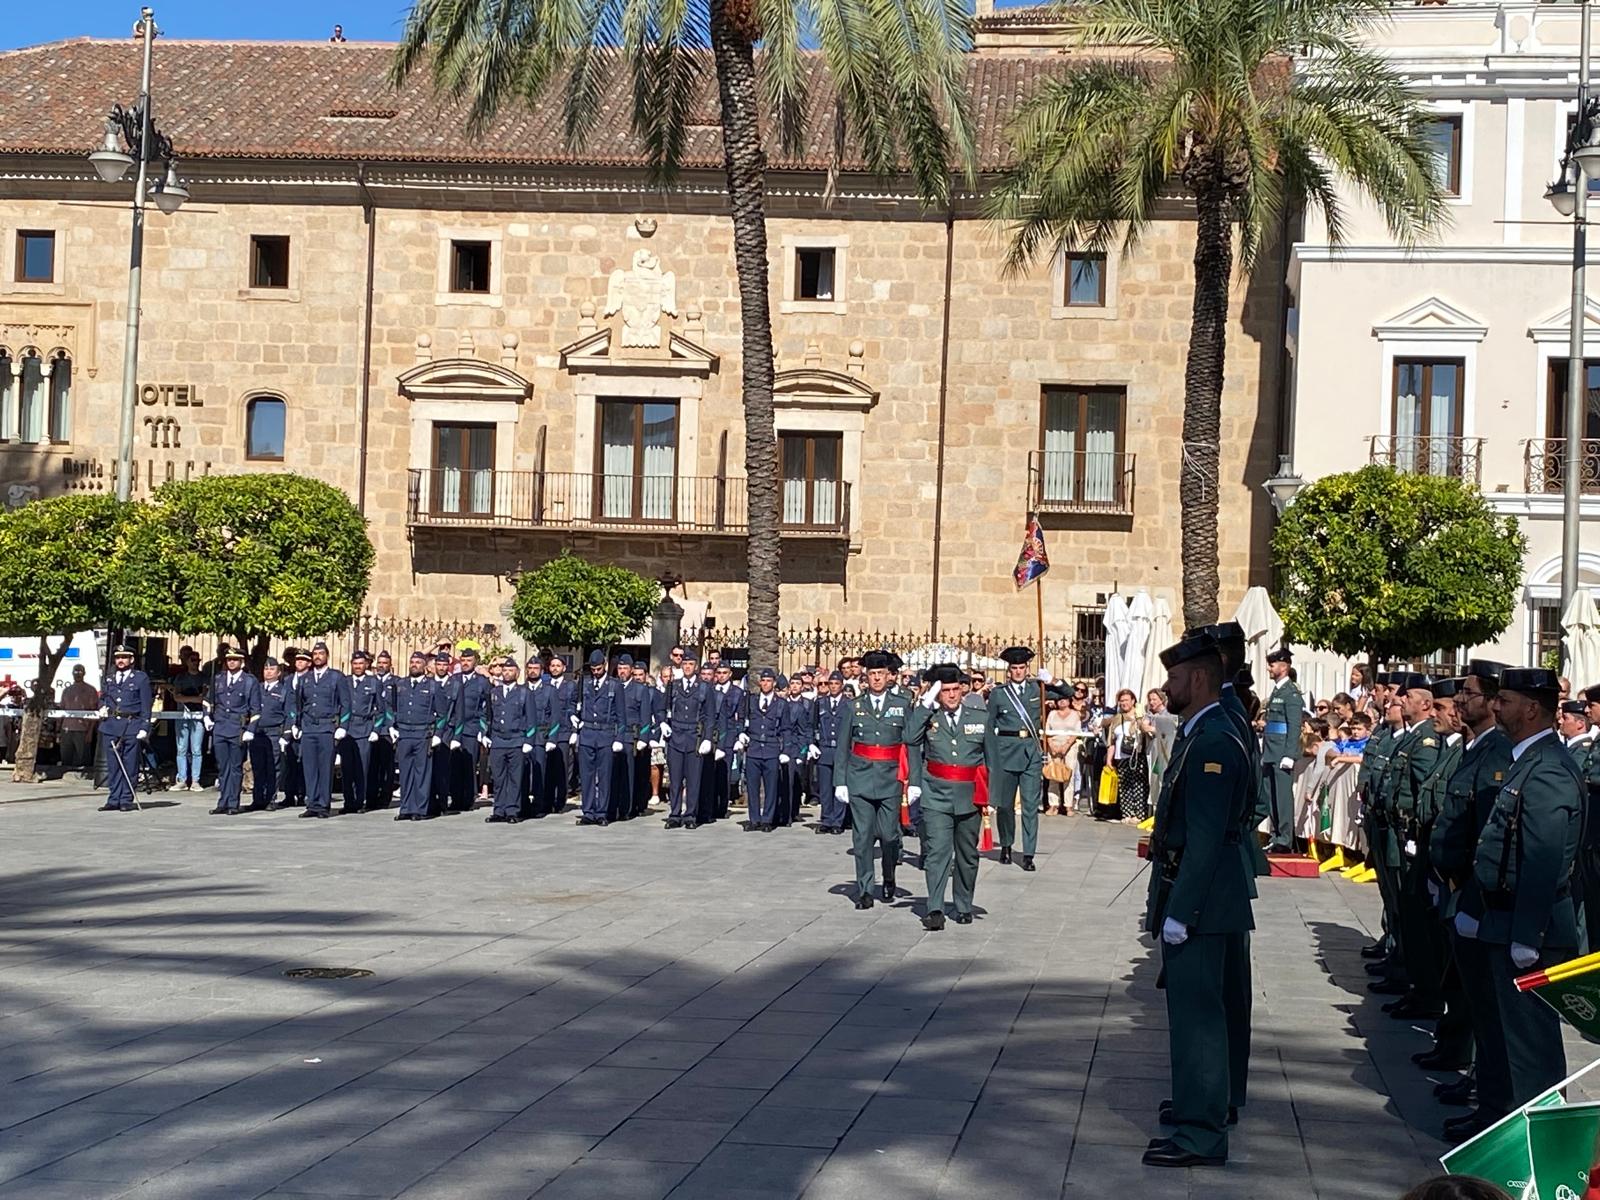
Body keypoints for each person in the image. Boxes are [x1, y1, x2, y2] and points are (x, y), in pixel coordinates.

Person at [1143, 634, 1254, 1168]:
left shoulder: (1211, 740)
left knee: (1199, 1021)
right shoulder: (1203, 732)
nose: (1167, 687)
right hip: (1206, 895)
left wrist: (1179, 913)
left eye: (1174, 677)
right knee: (1204, 1016)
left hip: (1204, 902)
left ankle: (1201, 1135)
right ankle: (1202, 1106)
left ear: (1200, 679)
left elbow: (1207, 837)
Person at [1456, 667, 1583, 1134]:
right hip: (1502, 919)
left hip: (1529, 929)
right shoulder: (1524, 759)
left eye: (1505, 700)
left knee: (1532, 1052)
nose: (1495, 706)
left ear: (1531, 709)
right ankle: (1500, 1129)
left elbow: (1544, 860)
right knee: (1503, 1039)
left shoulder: (1548, 767)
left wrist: (1527, 935)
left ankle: (1543, 1145)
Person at [1429, 661, 1512, 1121]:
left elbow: (1487, 834)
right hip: (1459, 889)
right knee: (1473, 996)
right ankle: (1481, 1081)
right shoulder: (1476, 748)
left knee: (1487, 1003)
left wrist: (1472, 896)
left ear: (1494, 702)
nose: (1461, 701)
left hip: (1476, 895)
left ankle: (1490, 1097)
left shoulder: (1496, 752)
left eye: (1469, 693)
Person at [905, 663, 988, 930]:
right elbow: (909, 736)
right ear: (938, 694)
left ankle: (963, 904)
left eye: (955, 690)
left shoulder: (979, 718)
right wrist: (925, 704)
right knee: (937, 853)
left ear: (962, 690)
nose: (951, 696)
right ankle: (936, 908)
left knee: (966, 855)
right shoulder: (931, 717)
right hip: (936, 794)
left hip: (969, 795)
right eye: (945, 691)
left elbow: (991, 758)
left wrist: (992, 797)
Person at [835, 648, 910, 907]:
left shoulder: (901, 706)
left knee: (890, 836)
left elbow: (910, 743)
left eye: (881, 673)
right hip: (860, 777)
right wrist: (840, 781)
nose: (876, 678)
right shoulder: (854, 706)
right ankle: (865, 889)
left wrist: (912, 780)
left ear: (889, 676)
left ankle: (889, 876)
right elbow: (843, 745)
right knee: (862, 836)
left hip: (890, 778)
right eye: (872, 674)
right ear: (865, 678)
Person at [986, 646, 1050, 869]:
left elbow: (1068, 694)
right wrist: (991, 756)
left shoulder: (1037, 689)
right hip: (1006, 752)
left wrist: (1053, 681)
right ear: (1009, 670)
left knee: (1031, 805)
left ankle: (1029, 853)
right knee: (1004, 805)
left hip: (1030, 752)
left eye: (1022, 667)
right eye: (1014, 668)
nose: (1018, 672)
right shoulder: (999, 693)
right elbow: (989, 725)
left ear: (1027, 669)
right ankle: (1005, 845)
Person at [295, 641, 349, 820]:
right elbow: (299, 704)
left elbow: (345, 704)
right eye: (315, 654)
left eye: (321, 653)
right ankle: (312, 804)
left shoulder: (336, 677)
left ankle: (324, 804)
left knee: (325, 767)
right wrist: (297, 724)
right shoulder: (305, 679)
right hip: (309, 727)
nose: (318, 656)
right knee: (309, 767)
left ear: (327, 656)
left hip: (327, 727)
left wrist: (343, 726)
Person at [394, 651, 448, 821]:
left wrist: (438, 734)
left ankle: (420, 809)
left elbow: (442, 713)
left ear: (425, 666)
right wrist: (392, 726)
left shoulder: (433, 686)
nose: (414, 665)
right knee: (405, 772)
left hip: (423, 734)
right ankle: (406, 807)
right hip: (404, 733)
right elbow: (392, 708)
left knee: (421, 773)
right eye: (412, 662)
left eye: (418, 662)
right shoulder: (401, 684)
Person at [206, 647, 261, 815]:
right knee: (223, 767)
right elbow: (208, 701)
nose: (231, 662)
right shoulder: (218, 679)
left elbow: (256, 709)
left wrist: (250, 729)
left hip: (238, 728)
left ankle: (233, 803)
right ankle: (223, 801)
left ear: (242, 662)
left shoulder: (249, 681)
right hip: (221, 727)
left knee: (235, 767)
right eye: (229, 659)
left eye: (235, 659)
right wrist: (207, 717)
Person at [1259, 647, 1304, 852]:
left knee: (1282, 797)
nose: (1269, 668)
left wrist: (1289, 754)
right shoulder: (1277, 690)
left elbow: (1294, 726)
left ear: (1284, 667)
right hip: (1270, 750)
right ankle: (1277, 836)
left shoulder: (1291, 693)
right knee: (1271, 795)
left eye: (1273, 664)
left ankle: (1285, 839)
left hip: (1281, 752)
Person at [98, 645, 151, 813]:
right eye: (118, 657)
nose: (120, 661)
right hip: (111, 725)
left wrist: (144, 726)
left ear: (131, 660)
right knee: (113, 765)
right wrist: (102, 707)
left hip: (131, 725)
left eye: (124, 657)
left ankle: (126, 798)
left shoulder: (140, 679)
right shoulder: (109, 678)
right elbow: (104, 698)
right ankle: (113, 798)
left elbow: (146, 704)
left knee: (129, 763)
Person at [483, 656, 535, 825]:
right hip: (498, 740)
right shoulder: (494, 692)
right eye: (504, 670)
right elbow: (487, 715)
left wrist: (529, 740)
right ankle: (499, 810)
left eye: (510, 670)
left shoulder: (524, 693)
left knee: (514, 778)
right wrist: (485, 734)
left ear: (517, 673)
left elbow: (531, 718)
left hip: (516, 739)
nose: (507, 673)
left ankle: (513, 810)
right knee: (498, 778)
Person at [576, 648, 626, 826]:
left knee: (604, 776)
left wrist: (619, 738)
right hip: (587, 733)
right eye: (593, 669)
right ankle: (588, 811)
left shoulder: (614, 685)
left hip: (605, 734)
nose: (595, 673)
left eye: (598, 669)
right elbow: (573, 706)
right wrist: (574, 718)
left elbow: (621, 715)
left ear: (604, 666)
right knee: (587, 775)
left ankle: (602, 812)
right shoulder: (585, 684)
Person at [664, 655, 713, 829]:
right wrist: (663, 723)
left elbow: (709, 716)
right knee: (675, 780)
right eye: (684, 664)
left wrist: (707, 738)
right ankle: (675, 814)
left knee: (693, 780)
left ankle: (691, 814)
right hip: (676, 736)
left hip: (694, 738)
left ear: (696, 667)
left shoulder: (704, 688)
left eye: (690, 664)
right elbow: (665, 708)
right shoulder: (674, 686)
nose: (687, 667)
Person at [741, 667, 785, 831]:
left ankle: (767, 819)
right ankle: (754, 819)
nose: (766, 684)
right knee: (752, 786)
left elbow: (786, 728)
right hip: (753, 748)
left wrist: (785, 751)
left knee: (771, 787)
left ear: (774, 683)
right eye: (763, 681)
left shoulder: (780, 704)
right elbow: (743, 721)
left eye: (769, 681)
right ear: (760, 682)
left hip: (771, 748)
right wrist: (741, 734)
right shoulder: (751, 701)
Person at [340, 649, 384, 815]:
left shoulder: (373, 683)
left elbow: (381, 710)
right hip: (347, 728)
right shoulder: (344, 682)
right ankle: (348, 801)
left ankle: (360, 801)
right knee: (347, 768)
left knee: (362, 768)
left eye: (361, 664)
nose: (358, 667)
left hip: (364, 728)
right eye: (355, 664)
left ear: (366, 665)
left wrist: (376, 729)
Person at [447, 647, 489, 813]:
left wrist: (483, 730)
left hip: (471, 727)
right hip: (454, 727)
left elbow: (486, 708)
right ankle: (456, 798)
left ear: (475, 662)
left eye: (469, 660)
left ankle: (468, 798)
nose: (465, 663)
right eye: (463, 660)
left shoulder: (482, 682)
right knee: (455, 763)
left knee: (470, 764)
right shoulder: (454, 680)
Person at [1103, 688, 1150, 822]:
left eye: (1126, 700)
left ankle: (1139, 814)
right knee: (1124, 786)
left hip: (1136, 755)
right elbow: (1111, 741)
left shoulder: (1140, 716)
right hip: (1121, 756)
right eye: (1121, 701)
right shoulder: (1117, 718)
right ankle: (1127, 814)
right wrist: (1109, 760)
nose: (1123, 703)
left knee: (1138, 785)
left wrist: (1138, 719)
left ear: (1133, 701)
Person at [252, 657, 292, 810]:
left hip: (274, 732)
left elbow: (289, 713)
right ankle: (258, 799)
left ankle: (271, 798)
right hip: (258, 732)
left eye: (271, 669)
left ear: (279, 672)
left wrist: (286, 734)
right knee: (257, 766)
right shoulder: (257, 688)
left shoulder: (283, 690)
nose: (268, 672)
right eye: (266, 669)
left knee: (273, 767)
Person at [542, 653, 577, 817]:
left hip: (563, 731)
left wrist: (573, 731)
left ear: (564, 668)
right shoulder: (544, 684)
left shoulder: (570, 686)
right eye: (552, 665)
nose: (555, 668)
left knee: (561, 767)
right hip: (546, 732)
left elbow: (572, 708)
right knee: (547, 767)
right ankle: (546, 799)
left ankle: (560, 800)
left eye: (558, 665)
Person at [814, 671, 848, 834]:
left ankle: (837, 822)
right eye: (831, 684)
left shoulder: (849, 704)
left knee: (839, 786)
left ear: (842, 686)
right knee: (825, 788)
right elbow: (812, 725)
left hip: (841, 751)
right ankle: (826, 820)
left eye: (836, 684)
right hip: (825, 749)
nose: (833, 687)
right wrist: (813, 744)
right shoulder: (820, 703)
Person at [170, 647, 207, 791]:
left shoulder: (203, 677)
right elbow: (176, 696)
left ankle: (195, 780)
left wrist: (194, 699)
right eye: (192, 660)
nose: (195, 663)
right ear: (186, 662)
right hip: (182, 714)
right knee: (181, 748)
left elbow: (204, 697)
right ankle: (182, 779)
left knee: (197, 749)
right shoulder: (181, 677)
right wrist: (194, 698)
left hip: (198, 715)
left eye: (197, 660)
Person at [367, 650, 398, 810]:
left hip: (387, 729)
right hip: (371, 728)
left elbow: (397, 706)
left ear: (390, 665)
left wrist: (394, 725)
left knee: (387, 765)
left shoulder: (396, 683)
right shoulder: (370, 681)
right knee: (372, 764)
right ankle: (371, 797)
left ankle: (385, 797)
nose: (381, 666)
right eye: (379, 663)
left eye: (385, 663)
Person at [1044, 690, 1082, 815]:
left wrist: (1067, 745)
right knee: (1053, 775)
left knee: (1068, 775)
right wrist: (1052, 745)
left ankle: (1068, 805)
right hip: (1054, 746)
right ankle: (1053, 804)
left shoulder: (1075, 714)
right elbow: (1047, 730)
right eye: (1059, 699)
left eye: (1064, 698)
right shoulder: (1052, 714)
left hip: (1069, 746)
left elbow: (1076, 731)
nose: (1062, 701)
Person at [58, 665, 99, 776]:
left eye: (80, 671)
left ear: (84, 673)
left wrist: (90, 732)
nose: (78, 673)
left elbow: (94, 712)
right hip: (66, 728)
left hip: (82, 729)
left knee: (83, 757)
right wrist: (59, 730)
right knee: (66, 756)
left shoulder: (90, 690)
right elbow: (62, 710)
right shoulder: (67, 690)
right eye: (75, 671)